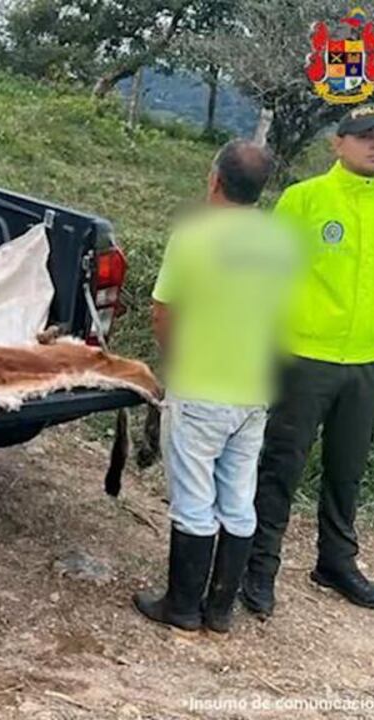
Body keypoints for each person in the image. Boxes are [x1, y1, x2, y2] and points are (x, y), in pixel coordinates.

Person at [240, 105, 374, 616]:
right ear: (337, 144)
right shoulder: (305, 200)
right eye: (364, 136)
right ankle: (259, 565)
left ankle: (336, 562)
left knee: (348, 468)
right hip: (304, 355)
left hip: (368, 359)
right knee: (283, 465)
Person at [133, 141, 299, 633]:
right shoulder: (280, 242)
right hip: (253, 392)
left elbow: (164, 311)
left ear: (214, 180)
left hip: (201, 386)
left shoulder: (194, 237)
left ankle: (182, 606)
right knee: (237, 500)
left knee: (192, 498)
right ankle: (220, 610)